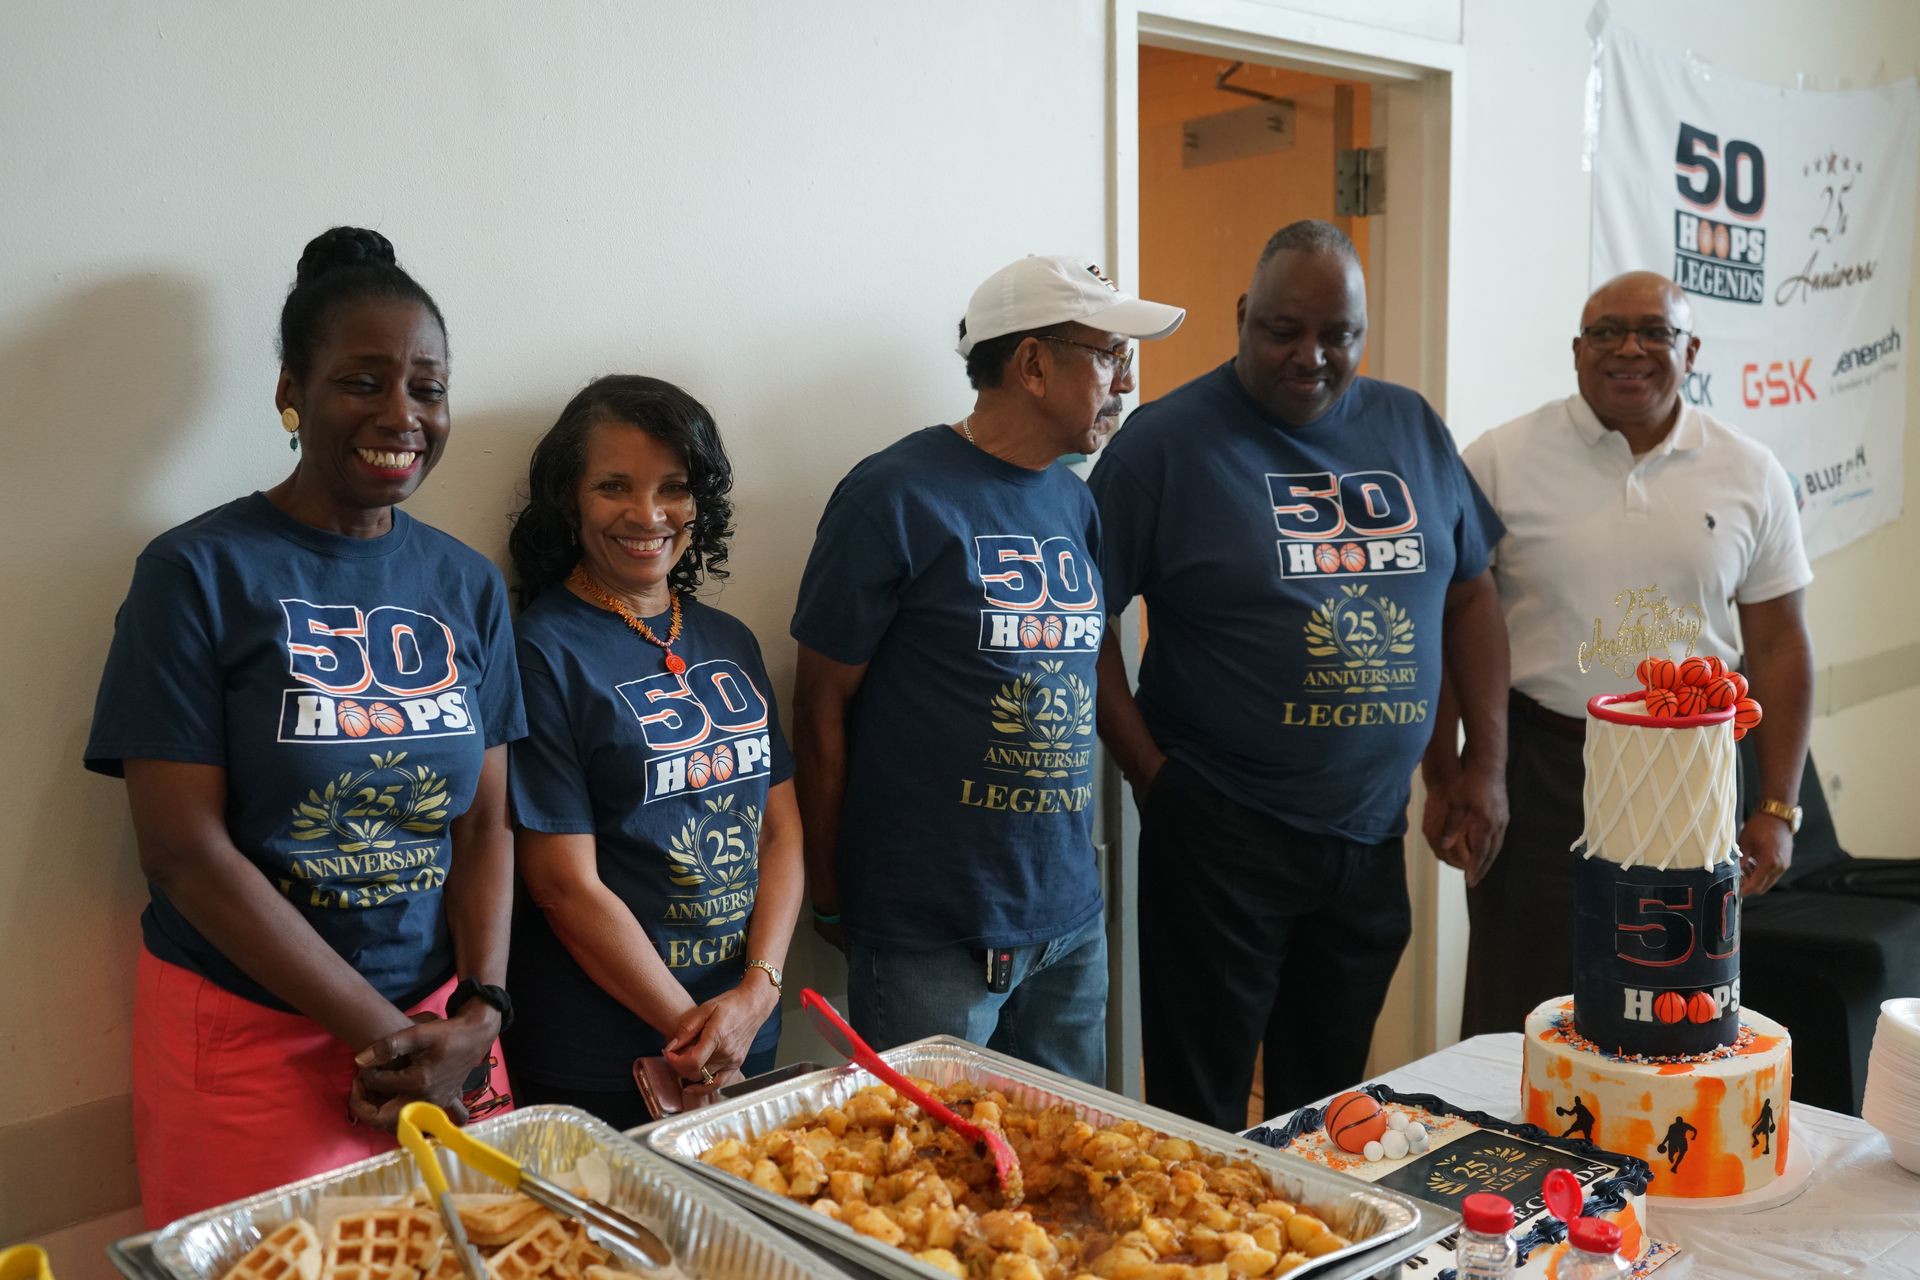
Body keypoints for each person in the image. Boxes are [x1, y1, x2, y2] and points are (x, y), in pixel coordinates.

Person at [85, 227, 522, 1226]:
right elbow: (183, 852)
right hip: (250, 1036)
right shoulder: (195, 572)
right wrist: (388, 1037)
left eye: (427, 385)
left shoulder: (465, 583)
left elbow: (489, 823)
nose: (402, 414)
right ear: (293, 390)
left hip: (444, 1028)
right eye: (363, 381)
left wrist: (482, 1010)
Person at [1089, 220, 1509, 1128]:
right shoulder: (1164, 446)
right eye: (1283, 329)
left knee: (1331, 1112)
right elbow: (1081, 623)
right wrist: (1152, 780)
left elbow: (1470, 592)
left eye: (1337, 335)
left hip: (1367, 838)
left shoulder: (1410, 426)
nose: (1310, 355)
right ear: (1244, 317)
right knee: (1198, 1117)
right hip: (1219, 833)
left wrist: (1480, 765)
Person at [790, 255, 1184, 1083]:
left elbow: (1095, 652)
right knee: (930, 1189)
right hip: (934, 933)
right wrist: (828, 895)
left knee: (1077, 1172)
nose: (1126, 381)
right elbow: (820, 708)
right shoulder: (894, 496)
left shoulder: (1074, 500)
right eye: (1109, 354)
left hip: (1068, 923)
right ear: (1033, 364)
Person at [1437, 271, 1814, 1039]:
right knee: (1523, 1006)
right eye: (1606, 333)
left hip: (1694, 773)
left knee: (1674, 1003)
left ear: (1692, 350)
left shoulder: (1749, 472)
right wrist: (1450, 774)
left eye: (1654, 332)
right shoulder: (1500, 460)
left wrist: (1776, 805)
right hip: (1540, 769)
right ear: (1577, 351)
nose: (1629, 350)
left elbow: (1779, 643)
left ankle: (1652, 1157)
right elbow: (1453, 622)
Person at [502, 376, 802, 1129]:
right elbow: (560, 885)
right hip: (609, 1057)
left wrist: (758, 993)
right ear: (569, 498)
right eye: (614, 487)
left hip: (742, 1030)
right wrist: (698, 1032)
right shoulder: (540, 651)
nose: (648, 514)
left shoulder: (727, 639)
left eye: (674, 487)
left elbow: (782, 829)